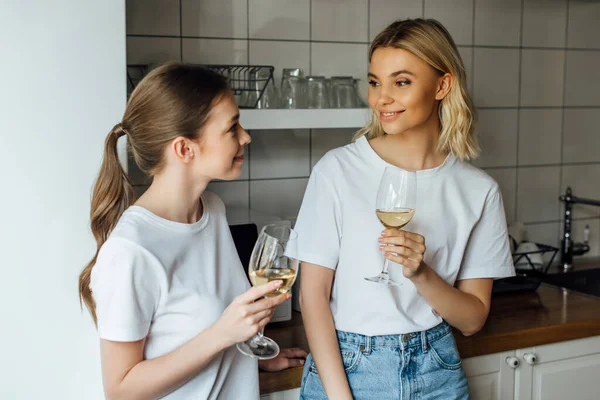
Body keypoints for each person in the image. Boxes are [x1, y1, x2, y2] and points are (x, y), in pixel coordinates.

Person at [294, 18, 515, 399]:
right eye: (375, 82)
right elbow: (311, 296)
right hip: (348, 367)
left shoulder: (479, 190)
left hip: (437, 371)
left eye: (401, 82)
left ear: (442, 85)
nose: (381, 98)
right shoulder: (337, 169)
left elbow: (473, 319)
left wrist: (421, 273)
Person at [78, 62, 306, 400]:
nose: (246, 136)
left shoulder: (212, 210)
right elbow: (121, 389)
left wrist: (245, 357)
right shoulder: (131, 250)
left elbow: (186, 337)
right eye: (232, 128)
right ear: (185, 149)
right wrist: (224, 334)